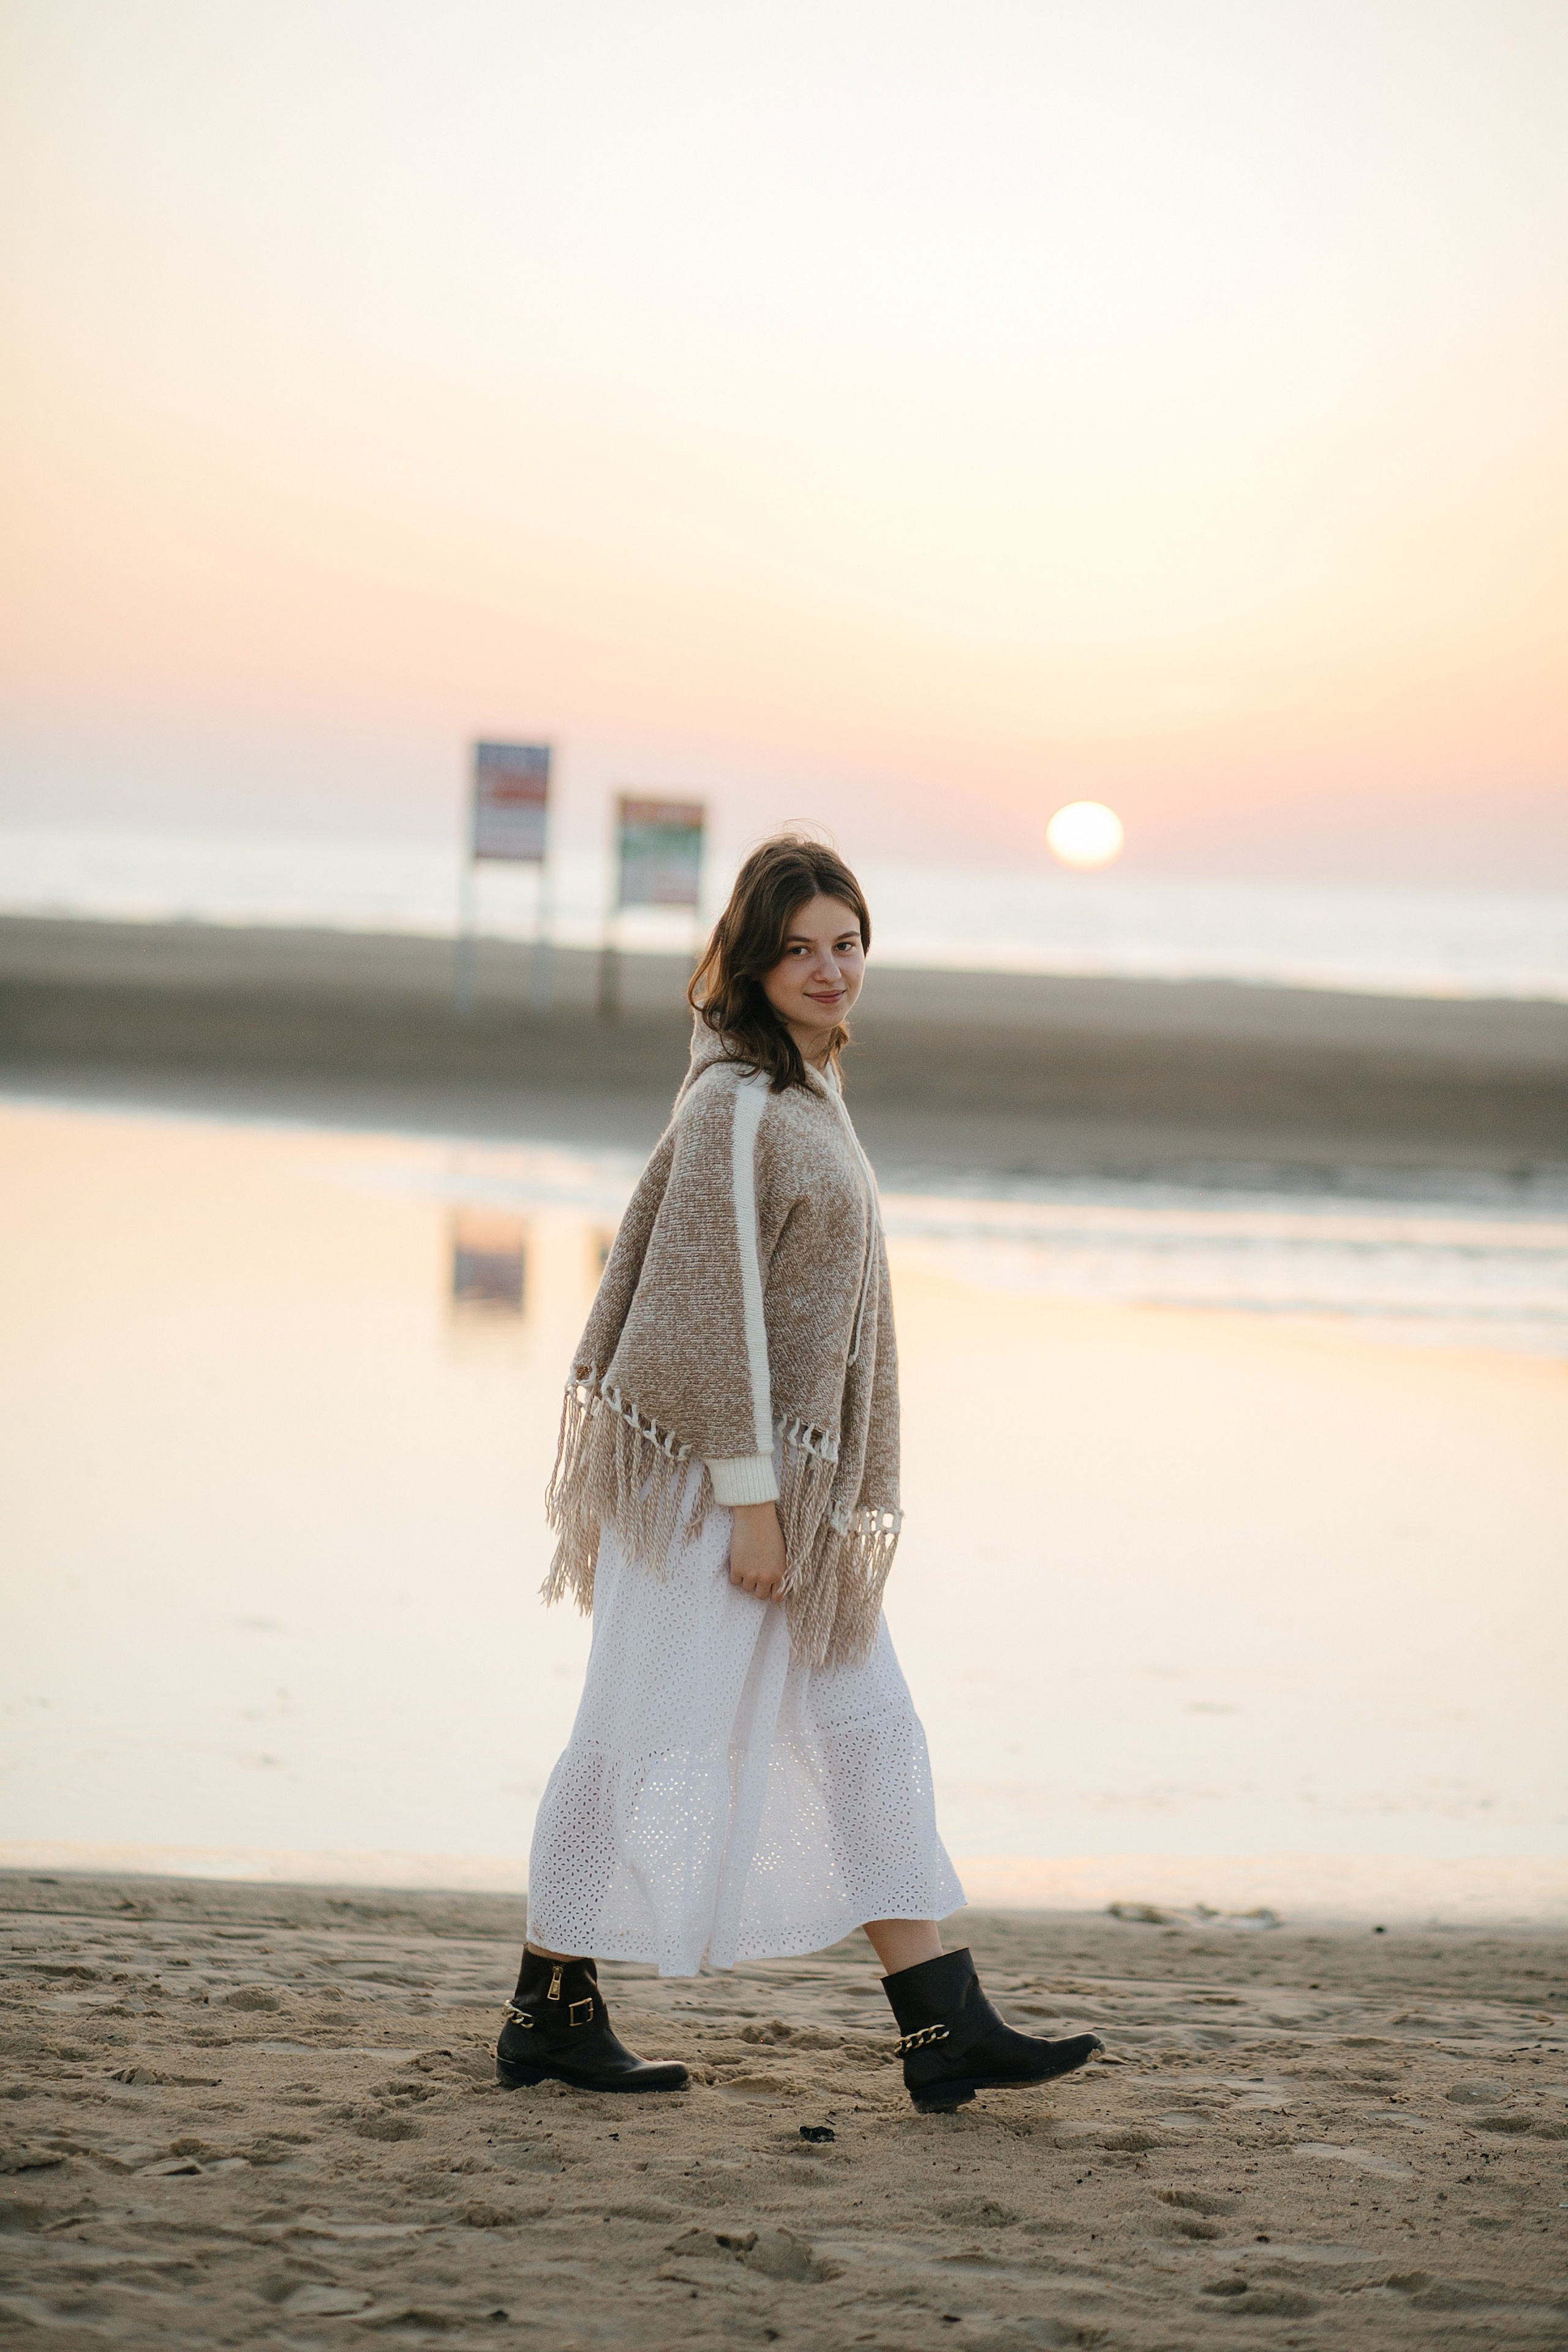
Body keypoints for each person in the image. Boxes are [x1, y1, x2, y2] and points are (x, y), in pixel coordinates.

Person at [495, 836, 1102, 2112]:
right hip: (712, 1495)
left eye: (847, 943)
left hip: (789, 1490)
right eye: (800, 949)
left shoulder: (807, 1092)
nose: (831, 970)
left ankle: (943, 2027)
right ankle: (548, 2009)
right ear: (751, 963)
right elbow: (709, 1314)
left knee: (870, 1735)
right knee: (631, 1737)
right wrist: (752, 1509)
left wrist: (788, 1500)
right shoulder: (730, 1102)